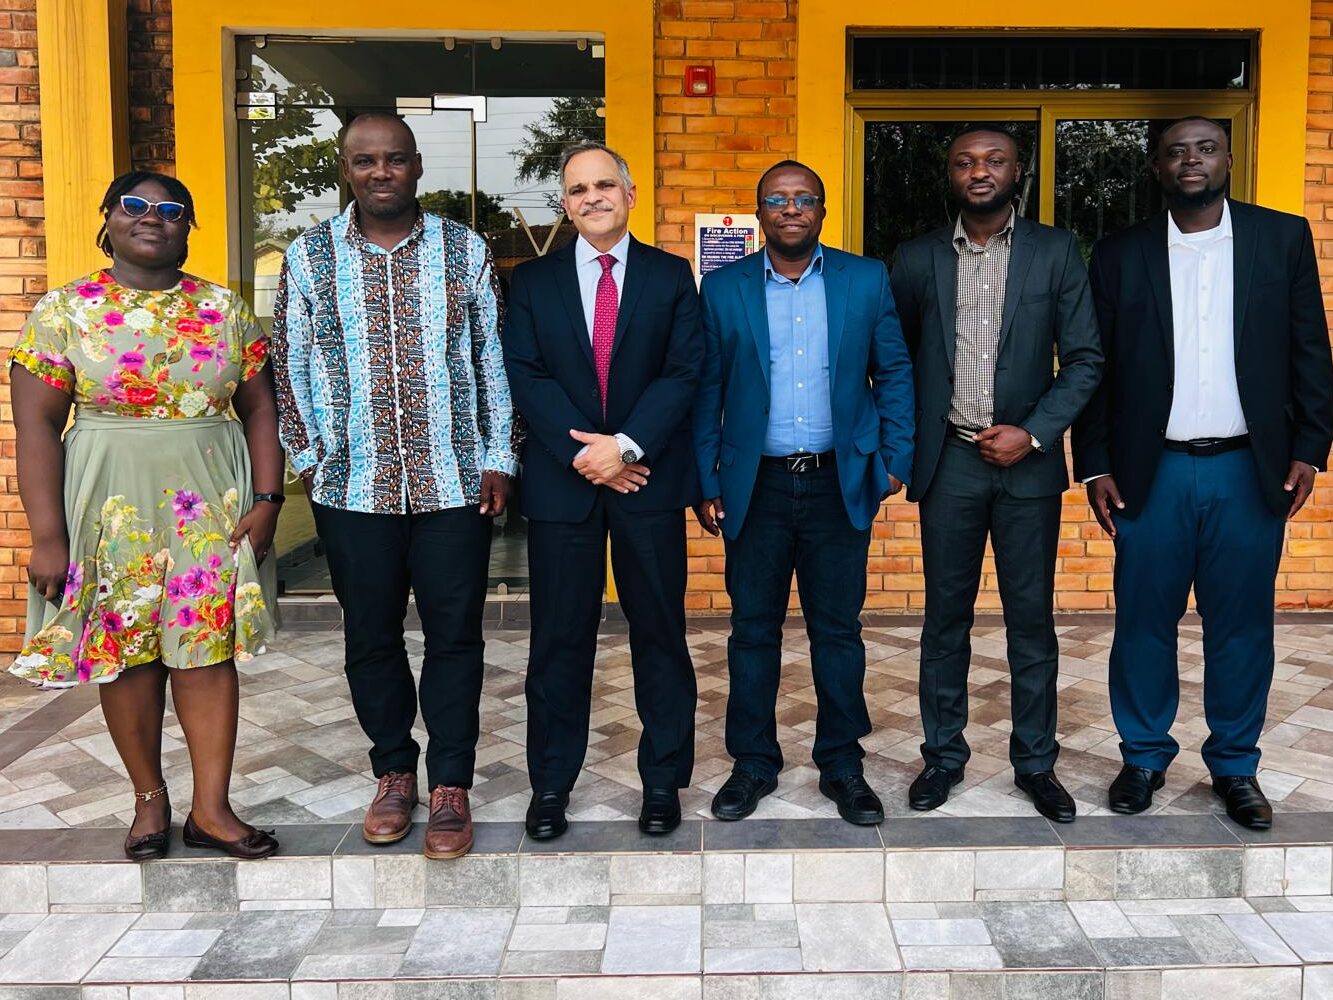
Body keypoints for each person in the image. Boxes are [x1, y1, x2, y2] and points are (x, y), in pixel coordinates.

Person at [8, 170, 281, 861]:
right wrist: (47, 535)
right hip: (108, 499)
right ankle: (149, 805)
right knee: (127, 654)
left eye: (170, 209)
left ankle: (212, 810)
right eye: (135, 205)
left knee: (206, 652)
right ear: (108, 217)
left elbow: (259, 409)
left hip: (210, 500)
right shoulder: (64, 311)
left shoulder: (226, 309)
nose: (152, 217)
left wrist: (268, 500)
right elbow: (35, 424)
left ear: (189, 225)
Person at [271, 112, 520, 860]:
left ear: (417, 166)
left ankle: (450, 784)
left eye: (395, 160)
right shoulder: (309, 257)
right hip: (351, 486)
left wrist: (499, 454)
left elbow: (491, 358)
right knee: (370, 638)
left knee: (454, 638)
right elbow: (288, 365)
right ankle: (391, 772)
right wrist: (309, 457)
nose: (381, 172)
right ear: (344, 169)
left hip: (452, 482)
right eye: (364, 160)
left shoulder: (463, 249)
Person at [1073, 116, 1333, 830]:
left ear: (1226, 159)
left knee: (1241, 627)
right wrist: (1092, 463)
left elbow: (1309, 346)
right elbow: (1093, 369)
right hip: (1147, 472)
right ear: (1156, 168)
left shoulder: (1278, 239)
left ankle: (1234, 766)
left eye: (1205, 148)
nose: (1191, 160)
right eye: (1174, 151)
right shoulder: (1120, 254)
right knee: (1142, 624)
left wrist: (1309, 447)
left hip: (1246, 472)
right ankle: (1144, 756)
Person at [889, 125, 1103, 824]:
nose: (979, 171)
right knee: (943, 619)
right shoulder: (916, 259)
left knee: (1030, 622)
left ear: (1019, 171)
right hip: (948, 461)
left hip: (1026, 465)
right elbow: (893, 360)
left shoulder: (1054, 250)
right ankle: (942, 757)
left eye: (994, 160)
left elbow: (1084, 360)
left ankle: (1035, 764)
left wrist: (1034, 432)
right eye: (964, 161)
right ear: (947, 174)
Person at [692, 160, 914, 825]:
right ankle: (753, 764)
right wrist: (706, 479)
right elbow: (706, 389)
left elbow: (894, 370)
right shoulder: (723, 287)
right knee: (752, 632)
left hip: (836, 484)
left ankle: (842, 764)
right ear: (758, 213)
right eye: (776, 200)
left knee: (837, 633)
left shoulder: (864, 279)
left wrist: (893, 461)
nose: (790, 209)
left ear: (821, 209)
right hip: (753, 487)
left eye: (803, 199)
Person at [503, 141, 702, 839]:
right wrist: (584, 452)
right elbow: (525, 375)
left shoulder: (671, 277)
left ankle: (662, 782)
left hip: (647, 484)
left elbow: (684, 372)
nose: (592, 197)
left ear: (629, 193)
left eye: (603, 185)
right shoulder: (531, 283)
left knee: (659, 637)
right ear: (565, 203)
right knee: (559, 642)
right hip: (564, 490)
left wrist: (624, 448)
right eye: (577, 189)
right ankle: (551, 785)